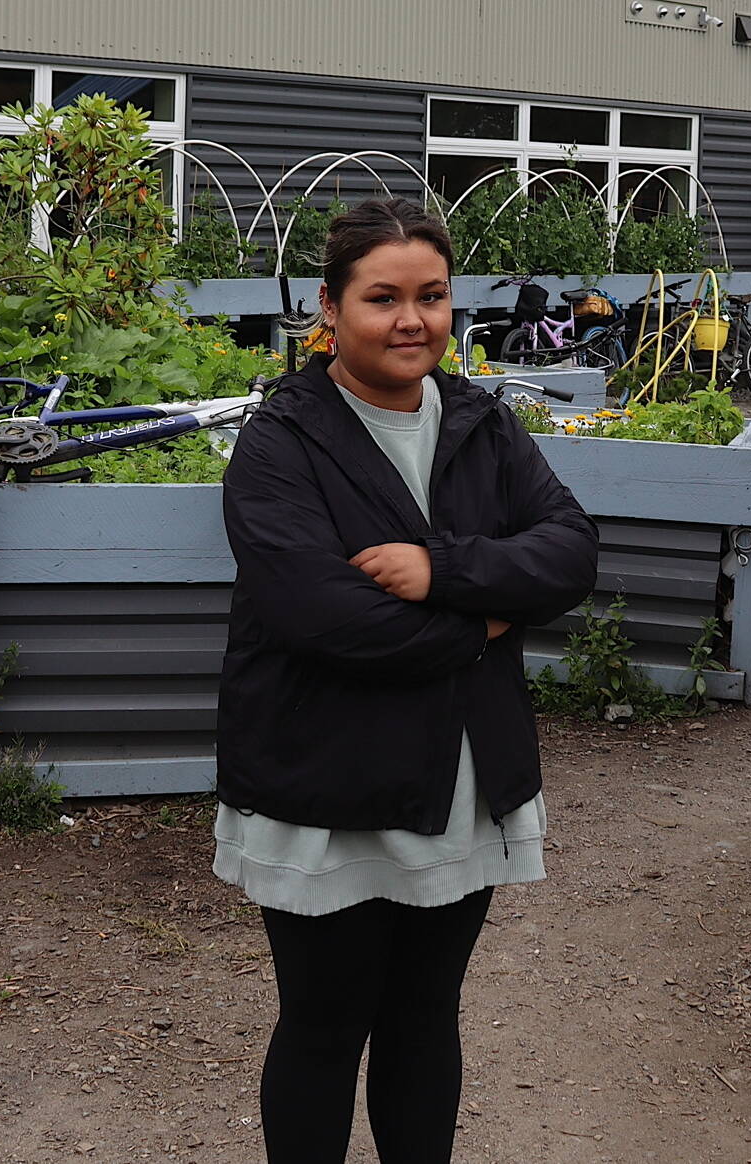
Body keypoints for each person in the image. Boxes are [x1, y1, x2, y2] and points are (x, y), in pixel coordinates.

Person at [214, 197, 600, 1163]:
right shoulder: (281, 442)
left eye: (431, 296)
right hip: (326, 779)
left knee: (427, 1017)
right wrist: (486, 626)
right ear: (329, 308)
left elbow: (570, 550)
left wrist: (445, 571)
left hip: (461, 776)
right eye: (382, 298)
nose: (411, 321)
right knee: (323, 1021)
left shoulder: (478, 422)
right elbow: (319, 615)